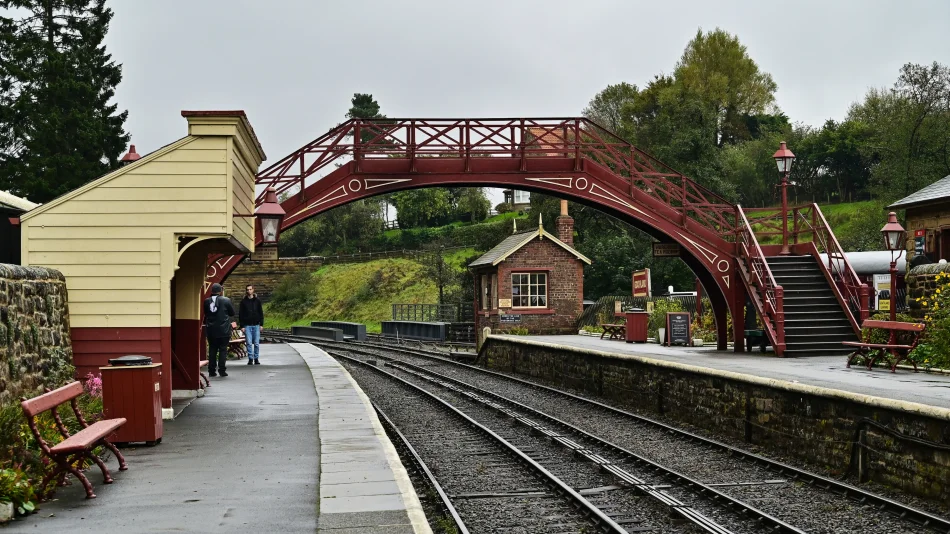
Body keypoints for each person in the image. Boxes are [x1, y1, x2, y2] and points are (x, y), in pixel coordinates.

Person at [203, 283, 235, 377]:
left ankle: (211, 370)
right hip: (223, 329)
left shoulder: (206, 301)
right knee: (223, 350)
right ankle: (222, 370)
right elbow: (232, 313)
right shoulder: (226, 300)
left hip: (211, 330)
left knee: (212, 349)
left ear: (211, 291)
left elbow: (206, 313)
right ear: (220, 291)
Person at [239, 284, 264, 365]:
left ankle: (256, 358)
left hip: (256, 324)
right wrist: (242, 326)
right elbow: (241, 314)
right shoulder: (243, 302)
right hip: (247, 325)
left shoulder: (257, 301)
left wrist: (261, 324)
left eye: (250, 289)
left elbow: (261, 313)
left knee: (256, 343)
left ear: (253, 290)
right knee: (249, 343)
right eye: (248, 289)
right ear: (246, 291)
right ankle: (250, 358)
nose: (249, 291)